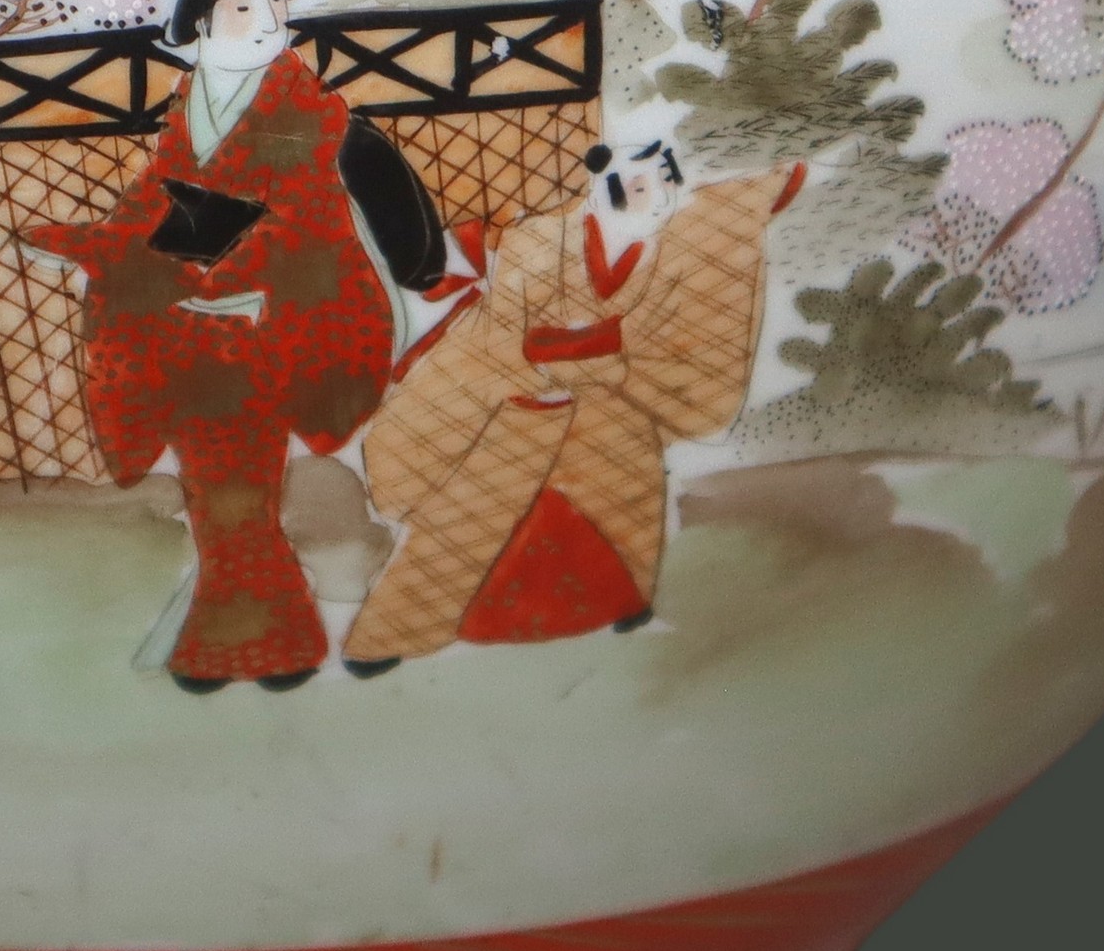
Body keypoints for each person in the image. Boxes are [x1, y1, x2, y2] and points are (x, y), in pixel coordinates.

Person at [24, 0, 403, 692]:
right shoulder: (190, 104)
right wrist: (74, 240)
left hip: (276, 324)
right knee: (220, 493)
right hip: (195, 328)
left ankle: (260, 641)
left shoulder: (304, 112)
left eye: (277, 1)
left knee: (233, 491)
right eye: (242, 5)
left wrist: (193, 276)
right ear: (200, 19)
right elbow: (154, 206)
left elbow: (295, 226)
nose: (268, 22)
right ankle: (266, 636)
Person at [342, 140, 806, 671]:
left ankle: (622, 601)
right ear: (601, 184)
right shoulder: (539, 240)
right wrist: (586, 355)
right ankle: (397, 631)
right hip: (522, 403)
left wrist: (586, 356)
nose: (659, 199)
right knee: (483, 493)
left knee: (620, 475)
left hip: (614, 413)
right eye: (640, 187)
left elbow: (678, 342)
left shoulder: (681, 248)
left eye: (667, 180)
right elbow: (503, 341)